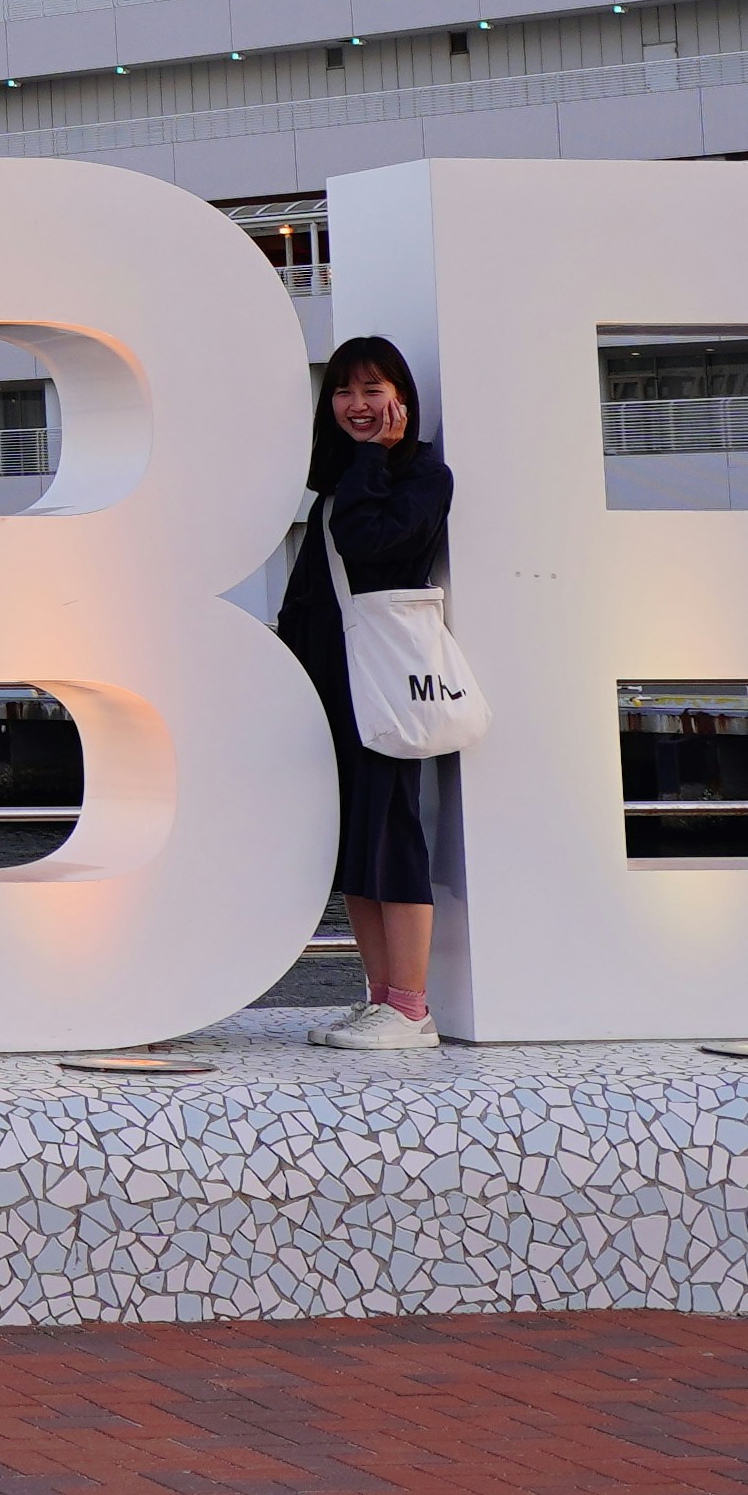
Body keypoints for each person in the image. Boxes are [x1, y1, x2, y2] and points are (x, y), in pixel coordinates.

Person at [274, 333, 456, 1049]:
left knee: (392, 830)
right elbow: (308, 594)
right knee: (354, 840)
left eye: (373, 390)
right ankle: (381, 998)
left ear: (401, 400)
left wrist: (377, 457)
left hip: (381, 683)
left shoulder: (423, 477)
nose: (357, 404)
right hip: (330, 684)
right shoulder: (338, 485)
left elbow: (370, 545)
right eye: (344, 391)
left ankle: (411, 1008)